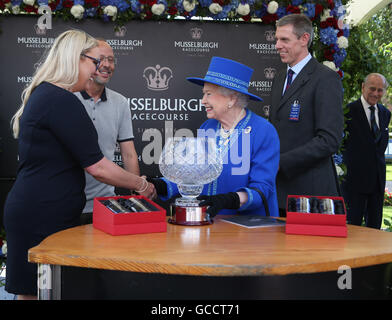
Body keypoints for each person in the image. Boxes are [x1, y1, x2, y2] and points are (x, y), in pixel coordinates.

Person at [3, 30, 155, 300]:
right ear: (76, 59)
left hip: (42, 212)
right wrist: (140, 184)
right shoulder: (61, 100)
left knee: (39, 292)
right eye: (93, 63)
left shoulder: (47, 95)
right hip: (42, 216)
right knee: (36, 293)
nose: (96, 70)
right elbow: (98, 167)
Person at [150, 56, 280, 217]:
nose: (203, 100)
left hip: (249, 230)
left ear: (231, 99)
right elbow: (193, 174)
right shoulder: (208, 127)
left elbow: (263, 189)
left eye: (208, 94)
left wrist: (229, 200)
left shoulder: (263, 131)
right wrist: (158, 185)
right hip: (211, 225)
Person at [268, 14, 343, 217]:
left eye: (284, 39)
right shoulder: (280, 78)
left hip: (310, 197)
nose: (277, 45)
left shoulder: (325, 79)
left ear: (304, 40)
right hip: (279, 195)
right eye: (276, 39)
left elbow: (329, 140)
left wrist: (280, 163)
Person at [75, 39, 140, 225]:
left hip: (103, 205)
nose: (106, 65)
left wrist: (137, 196)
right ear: (85, 61)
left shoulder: (120, 102)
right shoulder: (67, 97)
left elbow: (128, 154)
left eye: (111, 60)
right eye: (100, 59)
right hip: (67, 204)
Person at [342, 73, 391, 229]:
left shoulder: (385, 113)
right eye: (372, 89)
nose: (376, 94)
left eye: (380, 90)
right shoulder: (348, 112)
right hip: (354, 183)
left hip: (377, 184)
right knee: (352, 229)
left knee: (374, 230)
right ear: (363, 87)